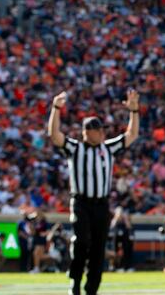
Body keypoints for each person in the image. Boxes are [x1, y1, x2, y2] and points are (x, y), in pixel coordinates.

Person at [47, 89, 139, 294]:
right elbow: (54, 135)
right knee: (82, 241)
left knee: (98, 248)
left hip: (101, 204)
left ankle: (92, 288)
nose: (101, 133)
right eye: (98, 130)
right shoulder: (76, 148)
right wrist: (55, 109)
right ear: (87, 132)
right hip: (81, 202)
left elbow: (131, 135)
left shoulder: (108, 148)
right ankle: (75, 281)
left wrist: (134, 111)